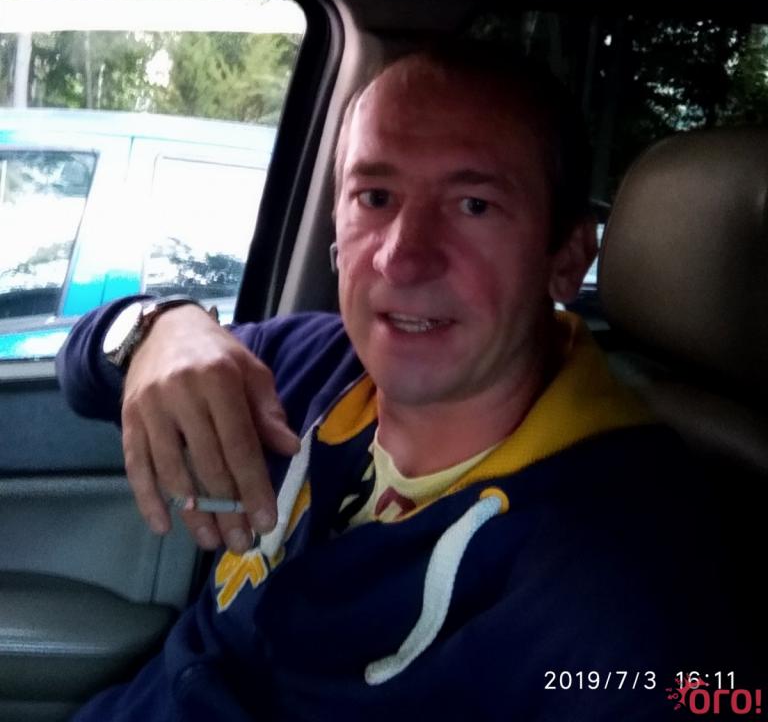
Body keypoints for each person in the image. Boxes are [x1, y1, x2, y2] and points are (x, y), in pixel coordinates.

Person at [57, 45, 740, 721]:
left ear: (566, 257)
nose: (402, 258)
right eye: (375, 198)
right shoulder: (309, 365)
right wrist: (158, 328)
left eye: (473, 205)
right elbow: (83, 370)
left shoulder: (623, 580)